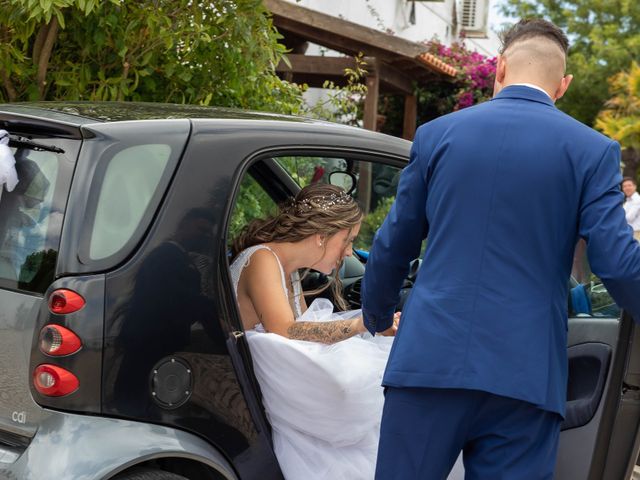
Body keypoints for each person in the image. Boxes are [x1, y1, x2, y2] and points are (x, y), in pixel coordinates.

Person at [361, 18, 640, 479]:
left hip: (430, 360)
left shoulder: (436, 135)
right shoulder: (592, 150)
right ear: (563, 84)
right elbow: (615, 260)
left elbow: (394, 241)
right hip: (525, 373)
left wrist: (377, 312)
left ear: (501, 67)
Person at [229, 183, 399, 480]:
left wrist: (370, 330)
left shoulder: (287, 269)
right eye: (348, 241)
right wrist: (360, 325)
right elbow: (288, 331)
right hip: (271, 396)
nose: (348, 254)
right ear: (322, 236)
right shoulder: (263, 260)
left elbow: (310, 332)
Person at [622, 176, 640, 241]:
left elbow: (629, 218)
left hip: (637, 234)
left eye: (629, 185)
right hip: (630, 233)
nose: (627, 188)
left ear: (635, 186)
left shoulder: (637, 200)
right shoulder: (627, 201)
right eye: (624, 186)